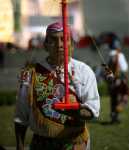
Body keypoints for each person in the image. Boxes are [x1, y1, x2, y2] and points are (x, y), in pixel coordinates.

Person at [14, 22, 100, 150]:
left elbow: (93, 110)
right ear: (45, 45)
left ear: (72, 44)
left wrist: (75, 111)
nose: (60, 45)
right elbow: (21, 116)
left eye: (64, 39)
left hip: (76, 144)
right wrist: (20, 146)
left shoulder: (84, 71)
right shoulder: (31, 73)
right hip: (41, 144)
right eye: (53, 40)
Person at [106, 39, 128, 124]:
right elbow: (124, 68)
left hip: (111, 81)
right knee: (123, 99)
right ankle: (115, 114)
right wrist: (126, 80)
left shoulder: (109, 55)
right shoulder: (120, 55)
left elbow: (106, 69)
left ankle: (113, 116)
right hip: (120, 80)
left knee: (113, 99)